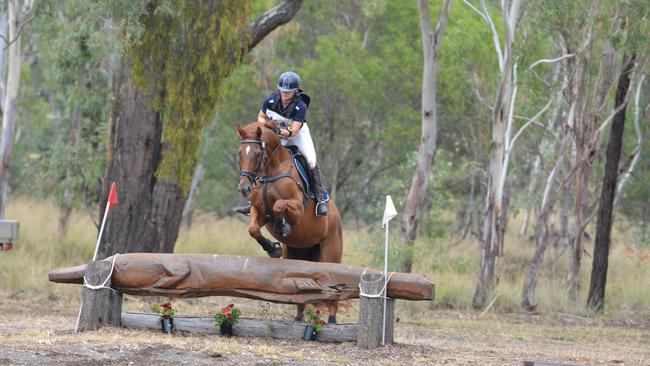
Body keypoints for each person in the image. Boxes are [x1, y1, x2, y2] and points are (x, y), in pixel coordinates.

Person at [236, 71, 329, 216]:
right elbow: (261, 116)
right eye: (283, 91)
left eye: (288, 92)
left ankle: (320, 199)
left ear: (296, 91)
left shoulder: (300, 105)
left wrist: (276, 130)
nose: (285, 95)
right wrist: (265, 127)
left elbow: (294, 130)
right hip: (276, 133)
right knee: (263, 157)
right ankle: (253, 201)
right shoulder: (271, 101)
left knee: (311, 161)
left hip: (297, 135)